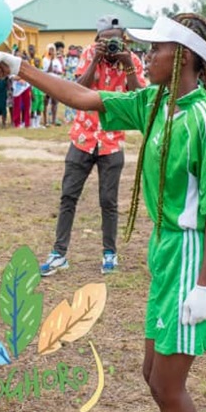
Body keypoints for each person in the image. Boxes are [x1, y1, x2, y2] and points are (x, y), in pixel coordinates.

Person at [0, 13, 206, 412]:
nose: (146, 56)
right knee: (151, 375)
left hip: (193, 254)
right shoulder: (155, 102)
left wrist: (205, 286)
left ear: (182, 57)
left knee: (167, 385)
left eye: (156, 49)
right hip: (167, 250)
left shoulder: (204, 120)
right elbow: (82, 97)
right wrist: (20, 68)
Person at [39, 16, 145, 277]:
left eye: (116, 40)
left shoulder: (132, 61)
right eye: (106, 40)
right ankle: (59, 254)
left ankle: (109, 253)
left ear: (124, 40)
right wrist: (96, 60)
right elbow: (76, 91)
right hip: (83, 137)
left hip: (112, 141)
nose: (111, 45)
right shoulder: (89, 55)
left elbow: (138, 100)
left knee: (108, 201)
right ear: (97, 40)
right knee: (68, 196)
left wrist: (128, 64)